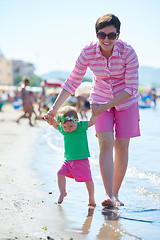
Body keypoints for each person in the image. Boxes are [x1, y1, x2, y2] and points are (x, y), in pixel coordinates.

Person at [44, 13, 141, 207]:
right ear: (96, 35)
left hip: (126, 102)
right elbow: (72, 82)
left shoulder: (128, 53)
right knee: (106, 142)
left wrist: (107, 105)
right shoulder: (88, 52)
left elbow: (130, 89)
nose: (106, 39)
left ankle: (116, 193)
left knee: (122, 145)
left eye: (111, 35)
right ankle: (109, 195)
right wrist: (54, 110)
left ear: (118, 35)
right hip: (100, 100)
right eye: (102, 35)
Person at [45, 105, 97, 207]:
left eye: (71, 126)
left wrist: (95, 114)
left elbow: (91, 122)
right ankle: (62, 192)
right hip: (68, 161)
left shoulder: (81, 126)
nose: (68, 129)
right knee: (60, 173)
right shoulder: (64, 130)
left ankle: (91, 198)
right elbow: (56, 126)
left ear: (76, 121)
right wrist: (51, 120)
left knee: (88, 180)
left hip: (82, 160)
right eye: (65, 127)